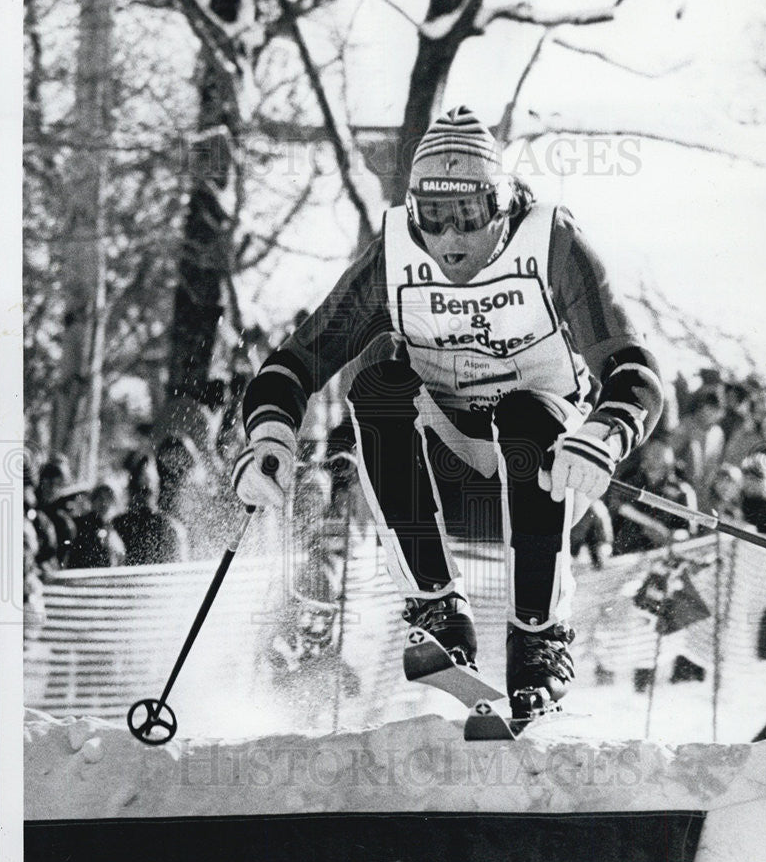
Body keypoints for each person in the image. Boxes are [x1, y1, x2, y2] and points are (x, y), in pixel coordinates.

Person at [231, 105, 663, 718]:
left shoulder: (552, 245)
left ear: (502, 202)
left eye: (470, 214)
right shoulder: (395, 261)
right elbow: (295, 364)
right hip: (446, 481)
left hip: (545, 478)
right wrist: (269, 437)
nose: (453, 238)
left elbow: (635, 369)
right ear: (413, 211)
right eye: (434, 216)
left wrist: (606, 433)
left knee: (524, 412)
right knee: (376, 386)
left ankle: (540, 639)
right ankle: (435, 604)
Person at [610, 436, 698, 554]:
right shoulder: (632, 482)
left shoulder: (683, 491)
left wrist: (669, 536)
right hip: (629, 552)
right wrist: (652, 524)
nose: (653, 462)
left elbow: (689, 531)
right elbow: (618, 505)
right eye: (650, 456)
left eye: (658, 457)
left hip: (664, 552)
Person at [113, 456, 189, 565]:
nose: (143, 498)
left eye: (146, 491)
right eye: (141, 490)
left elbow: (179, 569)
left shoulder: (170, 527)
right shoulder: (117, 526)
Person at [67, 481, 126, 569]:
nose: (104, 503)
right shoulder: (83, 525)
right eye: (100, 498)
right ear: (93, 500)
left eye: (109, 498)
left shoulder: (116, 526)